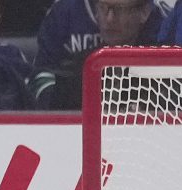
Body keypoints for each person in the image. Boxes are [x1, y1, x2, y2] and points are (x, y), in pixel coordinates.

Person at [29, 0, 167, 110]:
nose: (109, 19)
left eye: (119, 10)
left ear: (144, 12)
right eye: (103, 8)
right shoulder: (77, 71)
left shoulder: (163, 66)